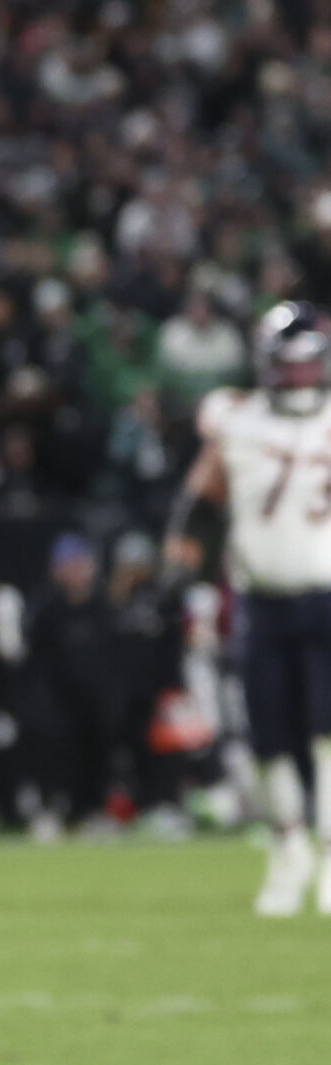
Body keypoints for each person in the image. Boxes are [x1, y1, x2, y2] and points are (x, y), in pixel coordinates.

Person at [170, 301, 331, 913]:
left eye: (308, 366)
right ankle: (290, 847)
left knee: (327, 733)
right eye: (287, 368)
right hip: (261, 599)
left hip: (326, 595)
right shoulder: (236, 421)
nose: (299, 379)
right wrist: (176, 570)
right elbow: (200, 505)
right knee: (268, 737)